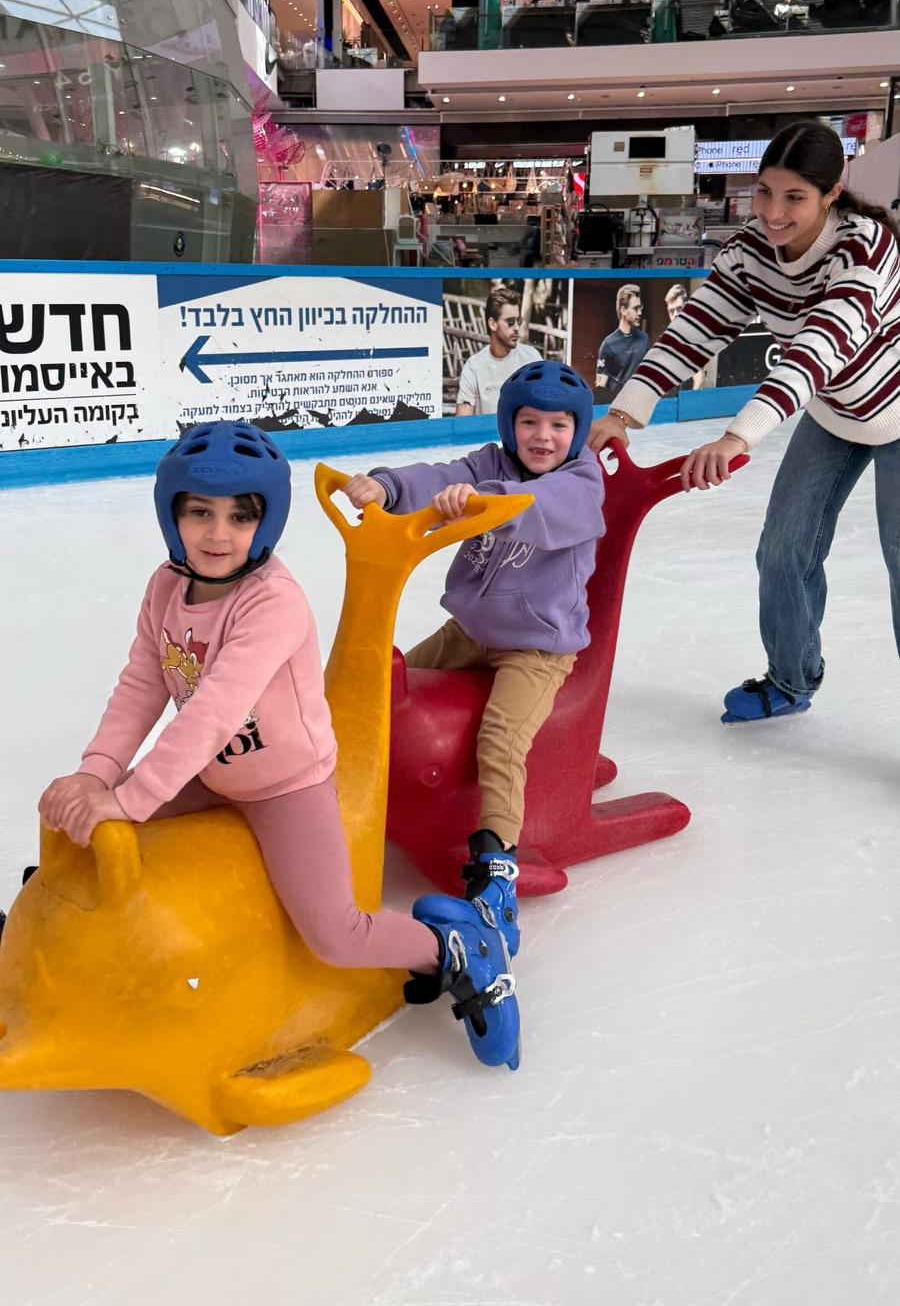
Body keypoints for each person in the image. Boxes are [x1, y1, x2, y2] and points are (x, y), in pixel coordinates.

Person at [37, 421, 520, 1070]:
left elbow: (214, 711)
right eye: (199, 512)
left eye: (241, 516)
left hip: (285, 784)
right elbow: (142, 683)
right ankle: (52, 945)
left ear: (266, 523)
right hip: (208, 771)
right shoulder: (165, 587)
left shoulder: (273, 602)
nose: (217, 533)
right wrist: (98, 774)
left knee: (337, 934)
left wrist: (132, 796)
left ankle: (461, 949)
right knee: (82, 827)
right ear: (170, 513)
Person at [587, 121, 900, 723]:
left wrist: (737, 436)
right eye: (764, 192)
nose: (773, 213)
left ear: (832, 193)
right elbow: (695, 329)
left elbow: (819, 347)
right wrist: (624, 412)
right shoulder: (750, 250)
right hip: (834, 410)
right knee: (782, 550)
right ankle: (791, 678)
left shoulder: (865, 247)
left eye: (794, 197)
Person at [343, 360, 604, 966]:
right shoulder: (490, 463)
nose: (543, 437)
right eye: (529, 422)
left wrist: (485, 500)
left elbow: (541, 505)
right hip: (470, 631)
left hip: (537, 647)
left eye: (559, 425)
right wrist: (387, 488)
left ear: (577, 431)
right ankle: (344, 793)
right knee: (384, 691)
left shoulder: (582, 481)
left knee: (500, 739)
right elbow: (442, 476)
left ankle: (496, 875)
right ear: (509, 425)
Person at [455, 285, 541, 416]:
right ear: (492, 324)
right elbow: (462, 420)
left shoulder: (531, 358)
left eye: (518, 321)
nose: (517, 328)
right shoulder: (474, 367)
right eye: (510, 322)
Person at [595, 284, 650, 402]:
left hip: (640, 403)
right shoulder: (608, 344)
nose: (640, 313)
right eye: (636, 308)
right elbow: (600, 387)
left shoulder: (644, 339)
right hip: (617, 404)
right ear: (623, 310)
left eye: (640, 308)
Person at [665, 283, 704, 393]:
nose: (675, 314)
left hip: (685, 397)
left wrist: (691, 399)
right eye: (671, 311)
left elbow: (699, 378)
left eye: (679, 309)